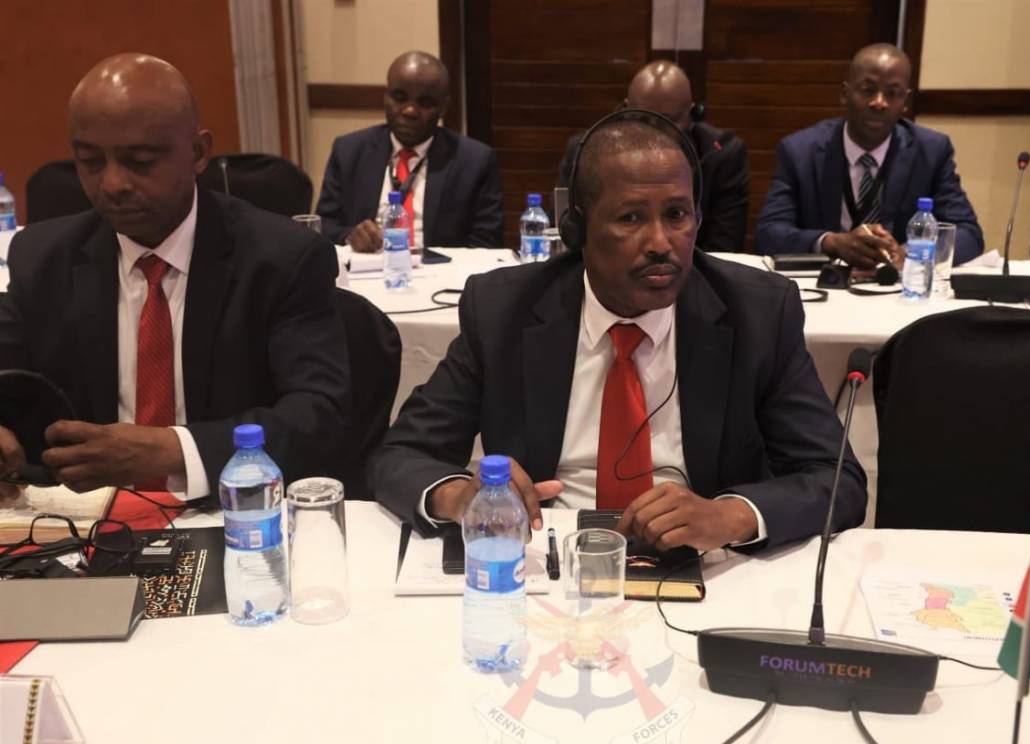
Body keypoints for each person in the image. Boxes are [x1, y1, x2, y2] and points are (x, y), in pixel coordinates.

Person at [372, 111, 865, 552]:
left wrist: (731, 515)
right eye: (631, 218)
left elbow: (837, 478)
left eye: (677, 215)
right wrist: (459, 495)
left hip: (700, 558)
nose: (661, 243)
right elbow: (403, 453)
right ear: (577, 230)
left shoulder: (757, 312)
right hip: (545, 555)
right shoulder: (503, 310)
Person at [0, 53, 349, 500]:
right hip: (86, 514)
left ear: (198, 153)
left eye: (140, 160)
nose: (113, 183)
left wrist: (176, 451)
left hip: (230, 511)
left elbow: (318, 416)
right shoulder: (42, 258)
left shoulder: (281, 259)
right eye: (90, 161)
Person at [755, 44, 983, 268]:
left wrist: (909, 254)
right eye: (868, 90)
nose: (879, 103)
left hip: (897, 283)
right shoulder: (800, 151)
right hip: (825, 282)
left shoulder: (931, 151)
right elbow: (769, 233)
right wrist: (832, 242)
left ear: (905, 102)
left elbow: (969, 234)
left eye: (892, 93)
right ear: (845, 94)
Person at [316, 51, 503, 250]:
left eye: (425, 103)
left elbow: (487, 243)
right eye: (399, 98)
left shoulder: (474, 161)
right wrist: (349, 236)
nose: (409, 111)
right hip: (367, 265)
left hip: (441, 268)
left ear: (443, 108)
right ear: (385, 98)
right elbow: (323, 225)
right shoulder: (349, 151)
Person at [556, 61, 750, 253]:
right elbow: (571, 231)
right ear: (625, 110)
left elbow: (723, 249)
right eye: (643, 118)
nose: (652, 130)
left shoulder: (721, 155)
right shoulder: (587, 152)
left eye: (667, 121)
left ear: (692, 116)